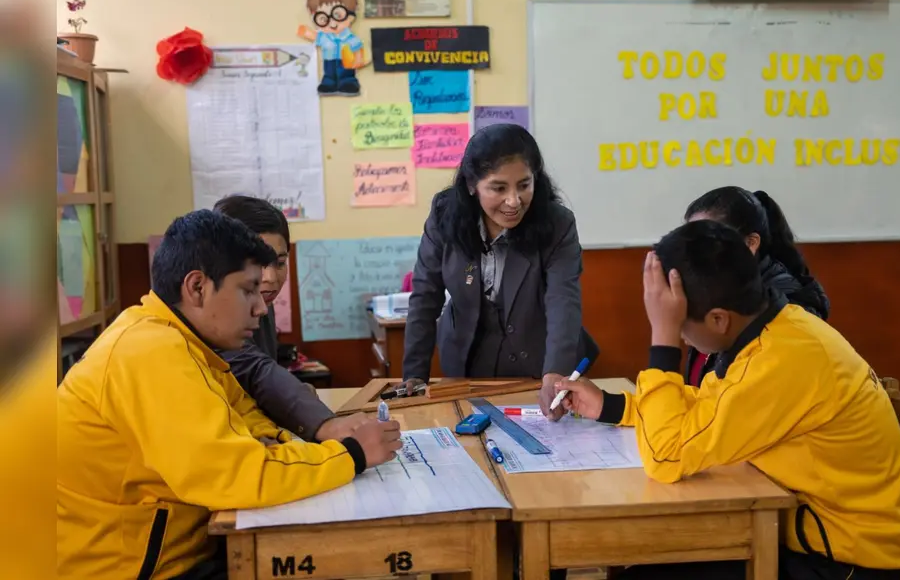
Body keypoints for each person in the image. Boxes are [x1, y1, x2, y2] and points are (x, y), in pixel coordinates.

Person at [554, 220, 900, 579]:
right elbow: (709, 411)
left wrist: (662, 341)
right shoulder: (779, 328)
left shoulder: (780, 360)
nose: (682, 339)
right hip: (809, 531)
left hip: (844, 561)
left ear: (718, 319)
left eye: (680, 327)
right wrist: (612, 406)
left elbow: (666, 455)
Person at [57, 210, 402, 580]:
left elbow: (248, 419)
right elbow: (238, 476)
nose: (261, 307)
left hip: (177, 548)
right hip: (136, 569)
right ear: (197, 288)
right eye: (247, 290)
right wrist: (351, 454)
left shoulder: (183, 342)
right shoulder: (149, 351)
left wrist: (288, 447)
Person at [400, 123, 598, 420]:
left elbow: (563, 301)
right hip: (467, 366)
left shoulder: (557, 223)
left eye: (524, 185)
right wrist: (414, 375)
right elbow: (425, 296)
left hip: (539, 367)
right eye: (498, 188)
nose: (514, 201)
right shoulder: (445, 216)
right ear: (472, 185)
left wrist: (555, 376)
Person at [214, 195, 365, 442]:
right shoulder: (214, 315)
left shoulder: (263, 302)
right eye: (257, 264)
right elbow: (253, 369)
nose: (271, 277)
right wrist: (326, 424)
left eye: (280, 262)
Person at [683, 186, 830, 386]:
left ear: (750, 243)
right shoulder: (717, 294)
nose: (694, 257)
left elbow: (744, 391)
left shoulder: (788, 307)